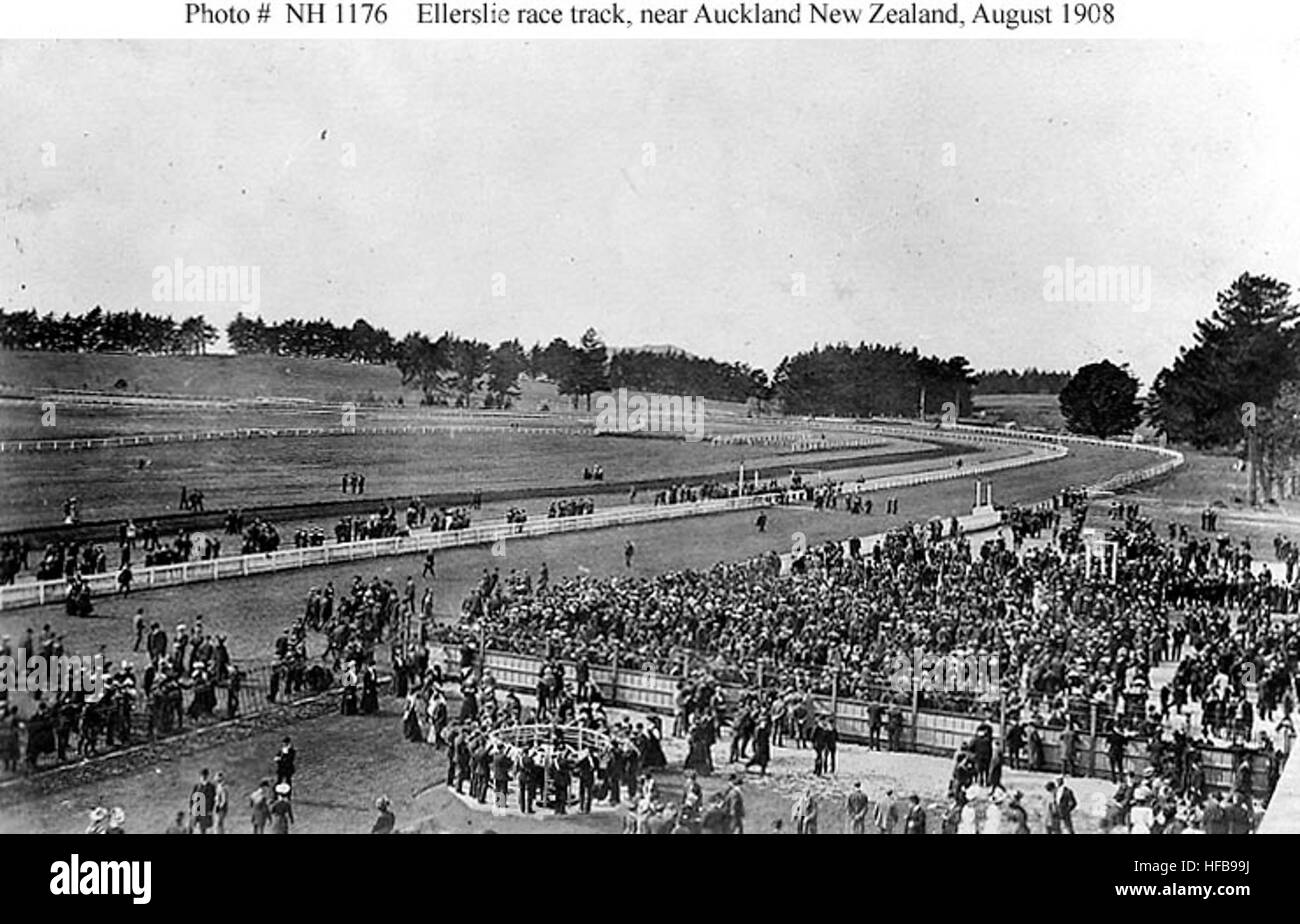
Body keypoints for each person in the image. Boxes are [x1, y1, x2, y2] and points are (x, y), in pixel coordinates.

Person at [190, 768, 216, 834]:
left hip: (206, 810)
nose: (203, 777)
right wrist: (191, 808)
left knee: (205, 828)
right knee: (195, 827)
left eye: (205, 776)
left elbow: (213, 800)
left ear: (207, 776)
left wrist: (211, 810)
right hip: (197, 810)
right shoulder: (197, 786)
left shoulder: (211, 787)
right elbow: (192, 798)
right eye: (202, 776)